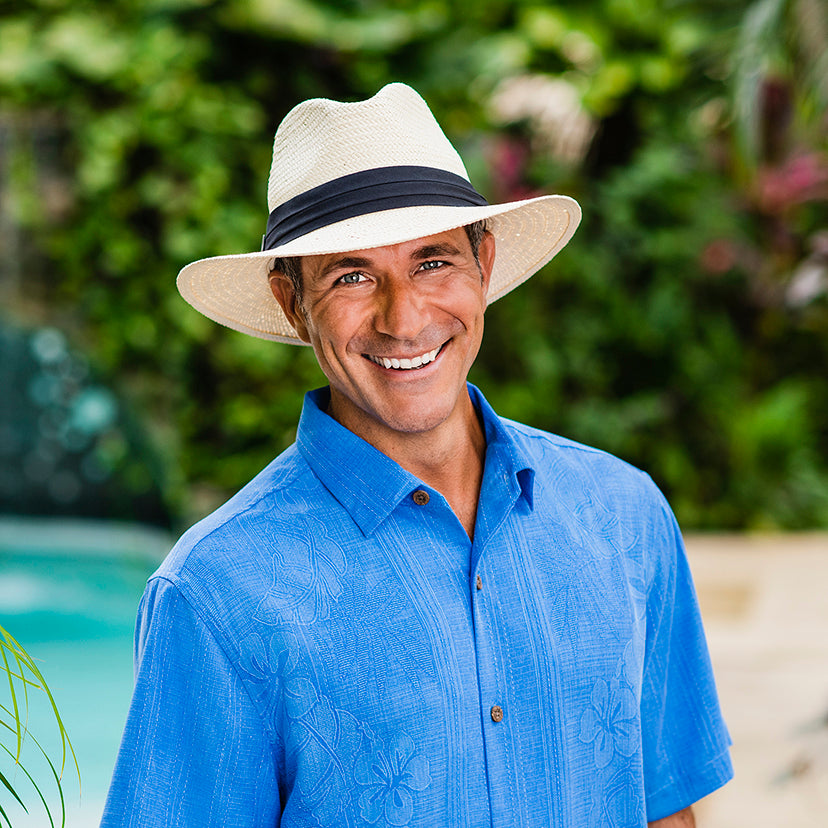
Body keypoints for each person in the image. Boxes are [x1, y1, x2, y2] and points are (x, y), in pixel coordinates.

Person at [101, 83, 732, 827]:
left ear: (484, 265)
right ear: (290, 302)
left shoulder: (624, 516)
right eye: (352, 276)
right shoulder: (216, 595)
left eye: (433, 261)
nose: (405, 318)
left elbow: (666, 812)